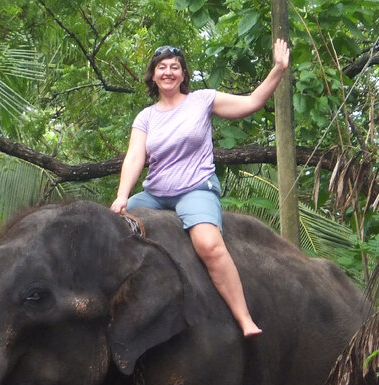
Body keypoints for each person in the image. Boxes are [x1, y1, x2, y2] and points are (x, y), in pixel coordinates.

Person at [110, 39, 292, 338]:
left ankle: (244, 317)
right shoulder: (146, 117)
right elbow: (135, 157)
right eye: (162, 68)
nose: (168, 72)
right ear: (153, 76)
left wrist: (278, 69)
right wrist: (121, 197)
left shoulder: (202, 100)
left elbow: (251, 103)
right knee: (110, 228)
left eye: (174, 67)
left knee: (209, 245)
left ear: (183, 75)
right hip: (155, 193)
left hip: (195, 188)